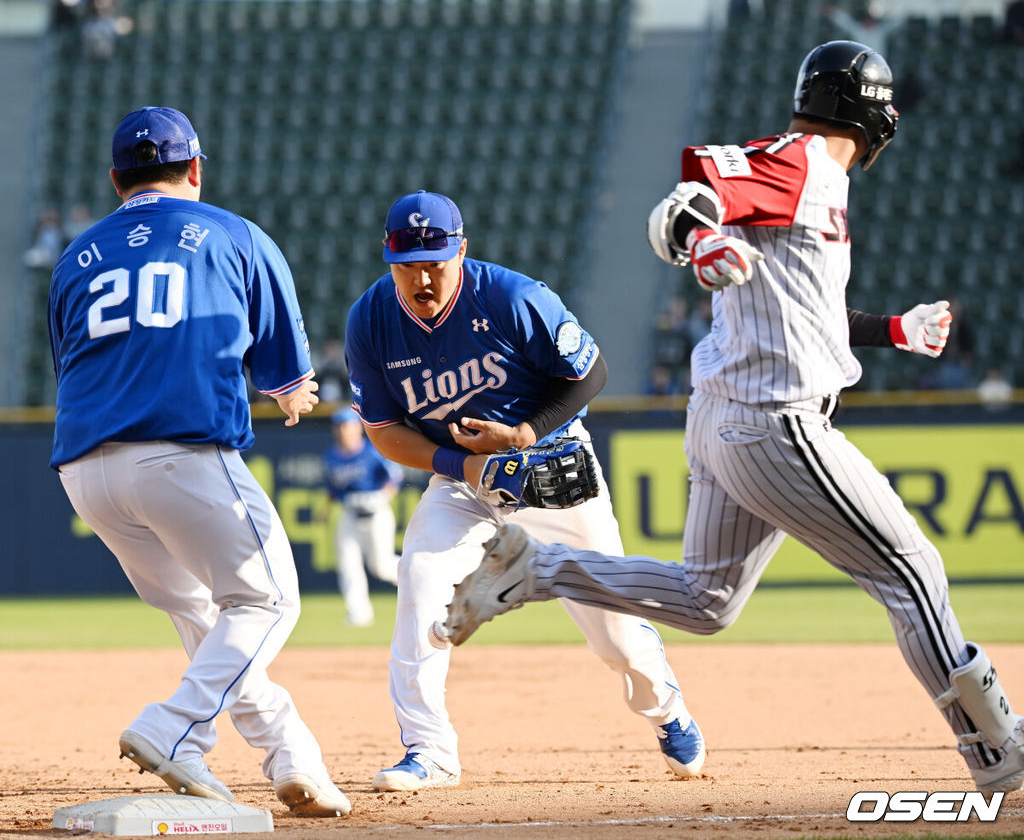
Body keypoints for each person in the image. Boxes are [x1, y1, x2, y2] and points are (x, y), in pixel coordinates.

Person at [442, 42, 1024, 797]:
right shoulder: (806, 161)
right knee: (911, 572)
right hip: (777, 424)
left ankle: (537, 567)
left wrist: (893, 331)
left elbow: (803, 313)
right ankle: (998, 753)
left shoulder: (810, 179)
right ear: (871, 114)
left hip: (727, 418)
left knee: (707, 601)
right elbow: (684, 204)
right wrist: (703, 236)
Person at [344, 189, 703, 791]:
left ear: (461, 250)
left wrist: (522, 432)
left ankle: (666, 709)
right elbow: (383, 431)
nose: (422, 277)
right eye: (407, 264)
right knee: (421, 585)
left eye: (435, 262)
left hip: (550, 466)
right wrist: (464, 467)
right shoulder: (372, 319)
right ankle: (430, 750)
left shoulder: (513, 297)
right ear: (388, 257)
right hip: (462, 481)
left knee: (614, 633)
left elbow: (591, 373)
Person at [47, 106, 351, 817]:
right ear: (196, 170)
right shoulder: (234, 233)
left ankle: (288, 755)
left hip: (84, 470)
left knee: (207, 616)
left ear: (117, 178)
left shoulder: (75, 255)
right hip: (178, 451)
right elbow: (289, 377)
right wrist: (293, 392)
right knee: (270, 600)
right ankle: (173, 726)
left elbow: (74, 366)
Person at [324, 407, 403, 627]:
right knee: (348, 564)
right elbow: (332, 488)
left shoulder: (372, 451)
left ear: (357, 428)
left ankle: (420, 582)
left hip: (376, 512)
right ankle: (358, 613)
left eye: (347, 426)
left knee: (381, 565)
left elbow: (394, 477)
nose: (343, 431)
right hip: (348, 513)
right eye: (339, 426)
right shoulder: (331, 456)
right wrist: (326, 511)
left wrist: (384, 495)